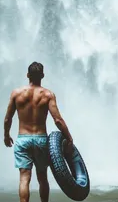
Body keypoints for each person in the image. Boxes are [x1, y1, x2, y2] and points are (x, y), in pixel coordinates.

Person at [4, 61, 73, 202]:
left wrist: (6, 135)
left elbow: (7, 119)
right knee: (42, 178)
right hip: (41, 139)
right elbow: (58, 120)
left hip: (23, 139)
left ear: (27, 75)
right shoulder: (48, 95)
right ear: (42, 75)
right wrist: (69, 138)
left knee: (24, 178)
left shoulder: (16, 93)